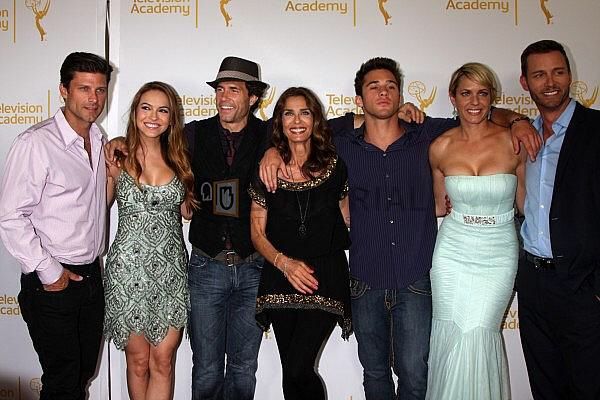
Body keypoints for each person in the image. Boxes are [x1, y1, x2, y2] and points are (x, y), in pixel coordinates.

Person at [260, 57, 540, 400]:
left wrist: (519, 120)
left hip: (415, 277)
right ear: (359, 99)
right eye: (374, 87)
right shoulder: (340, 143)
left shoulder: (427, 135)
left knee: (415, 375)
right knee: (375, 374)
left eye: (390, 86)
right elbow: (295, 128)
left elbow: (476, 112)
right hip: (364, 277)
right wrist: (272, 151)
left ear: (400, 95)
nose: (383, 92)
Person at [0, 52, 112, 400]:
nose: (94, 98)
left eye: (100, 89)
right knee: (63, 382)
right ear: (64, 90)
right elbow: (10, 216)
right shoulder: (36, 142)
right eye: (84, 88)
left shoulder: (100, 139)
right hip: (52, 280)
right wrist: (51, 273)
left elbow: (94, 204)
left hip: (91, 277)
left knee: (80, 377)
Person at [426, 62, 526, 400]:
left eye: (482, 93)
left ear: (492, 97)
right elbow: (439, 205)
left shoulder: (513, 142)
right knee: (451, 333)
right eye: (466, 93)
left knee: (480, 331)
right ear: (453, 97)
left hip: (498, 252)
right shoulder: (440, 146)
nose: (474, 101)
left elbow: (527, 205)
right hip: (452, 251)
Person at [249, 87, 352, 400]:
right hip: (280, 275)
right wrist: (285, 264)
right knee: (290, 375)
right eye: (289, 113)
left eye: (304, 112)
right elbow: (257, 233)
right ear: (279, 122)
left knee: (298, 368)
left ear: (315, 119)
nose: (297, 121)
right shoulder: (266, 170)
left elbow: (347, 216)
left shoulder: (335, 166)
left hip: (324, 278)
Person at [516, 39, 600, 400]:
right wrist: (517, 121)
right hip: (533, 284)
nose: (550, 82)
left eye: (558, 72)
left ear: (570, 75)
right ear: (525, 83)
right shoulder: (524, 135)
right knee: (545, 388)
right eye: (539, 75)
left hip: (583, 286)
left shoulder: (595, 129)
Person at [103, 81, 195, 400]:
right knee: (139, 362)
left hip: (170, 273)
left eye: (162, 110)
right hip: (127, 272)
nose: (153, 117)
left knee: (163, 361)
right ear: (134, 113)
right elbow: (96, 208)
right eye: (146, 108)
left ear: (172, 118)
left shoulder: (182, 160)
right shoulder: (117, 157)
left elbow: (188, 212)